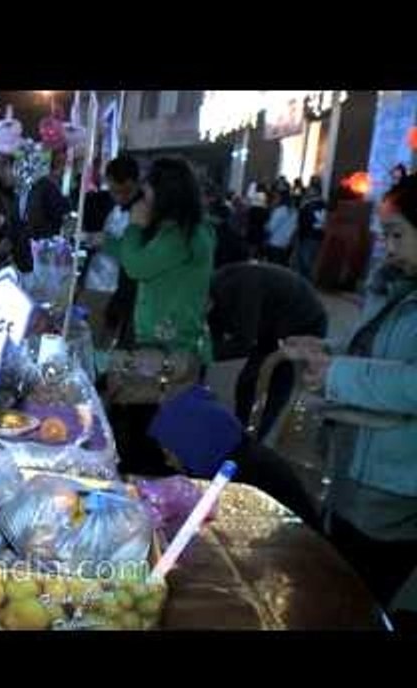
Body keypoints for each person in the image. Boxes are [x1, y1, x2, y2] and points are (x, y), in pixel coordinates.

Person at [282, 174, 417, 628]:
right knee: (334, 579)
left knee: (357, 596)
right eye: (385, 236)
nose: (389, 248)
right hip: (353, 462)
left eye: (397, 235)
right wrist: (327, 352)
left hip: (395, 481)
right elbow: (378, 353)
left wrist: (338, 372)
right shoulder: (397, 286)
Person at [100, 156, 215, 475]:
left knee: (144, 434)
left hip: (168, 353)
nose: (143, 196)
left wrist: (135, 227)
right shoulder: (187, 232)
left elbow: (136, 265)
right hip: (166, 347)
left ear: (165, 194)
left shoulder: (181, 236)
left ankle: (147, 500)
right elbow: (136, 257)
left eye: (148, 189)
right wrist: (109, 241)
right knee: (141, 427)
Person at [148, 384, 322, 529]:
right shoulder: (242, 455)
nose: (168, 461)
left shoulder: (243, 482)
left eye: (171, 452)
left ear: (194, 445)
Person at [209, 262, 328, 437]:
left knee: (268, 386)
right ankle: (240, 434)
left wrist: (202, 353)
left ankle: (250, 441)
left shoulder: (242, 289)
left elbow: (243, 344)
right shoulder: (214, 293)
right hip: (274, 321)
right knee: (248, 382)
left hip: (304, 323)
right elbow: (212, 337)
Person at [78, 156, 143, 348]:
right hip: (95, 282)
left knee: (93, 345)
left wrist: (106, 242)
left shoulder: (141, 211)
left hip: (112, 289)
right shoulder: (114, 205)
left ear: (131, 184)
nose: (114, 194)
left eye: (118, 189)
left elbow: (136, 257)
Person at [25, 150, 71, 239]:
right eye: (60, 162)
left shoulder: (60, 184)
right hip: (46, 237)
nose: (64, 167)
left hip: (51, 235)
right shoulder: (44, 186)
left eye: (64, 163)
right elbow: (37, 216)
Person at [294, 175, 326, 281]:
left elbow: (304, 221)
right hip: (317, 236)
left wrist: (300, 235)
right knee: (309, 262)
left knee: (304, 263)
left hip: (307, 236)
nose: (308, 191)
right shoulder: (323, 204)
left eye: (310, 189)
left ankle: (303, 286)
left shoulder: (308, 204)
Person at [264, 187, 297, 266]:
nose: (275, 200)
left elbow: (270, 228)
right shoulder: (295, 212)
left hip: (274, 243)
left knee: (272, 267)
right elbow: (294, 229)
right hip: (286, 244)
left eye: (276, 197)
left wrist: (266, 226)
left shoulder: (279, 211)